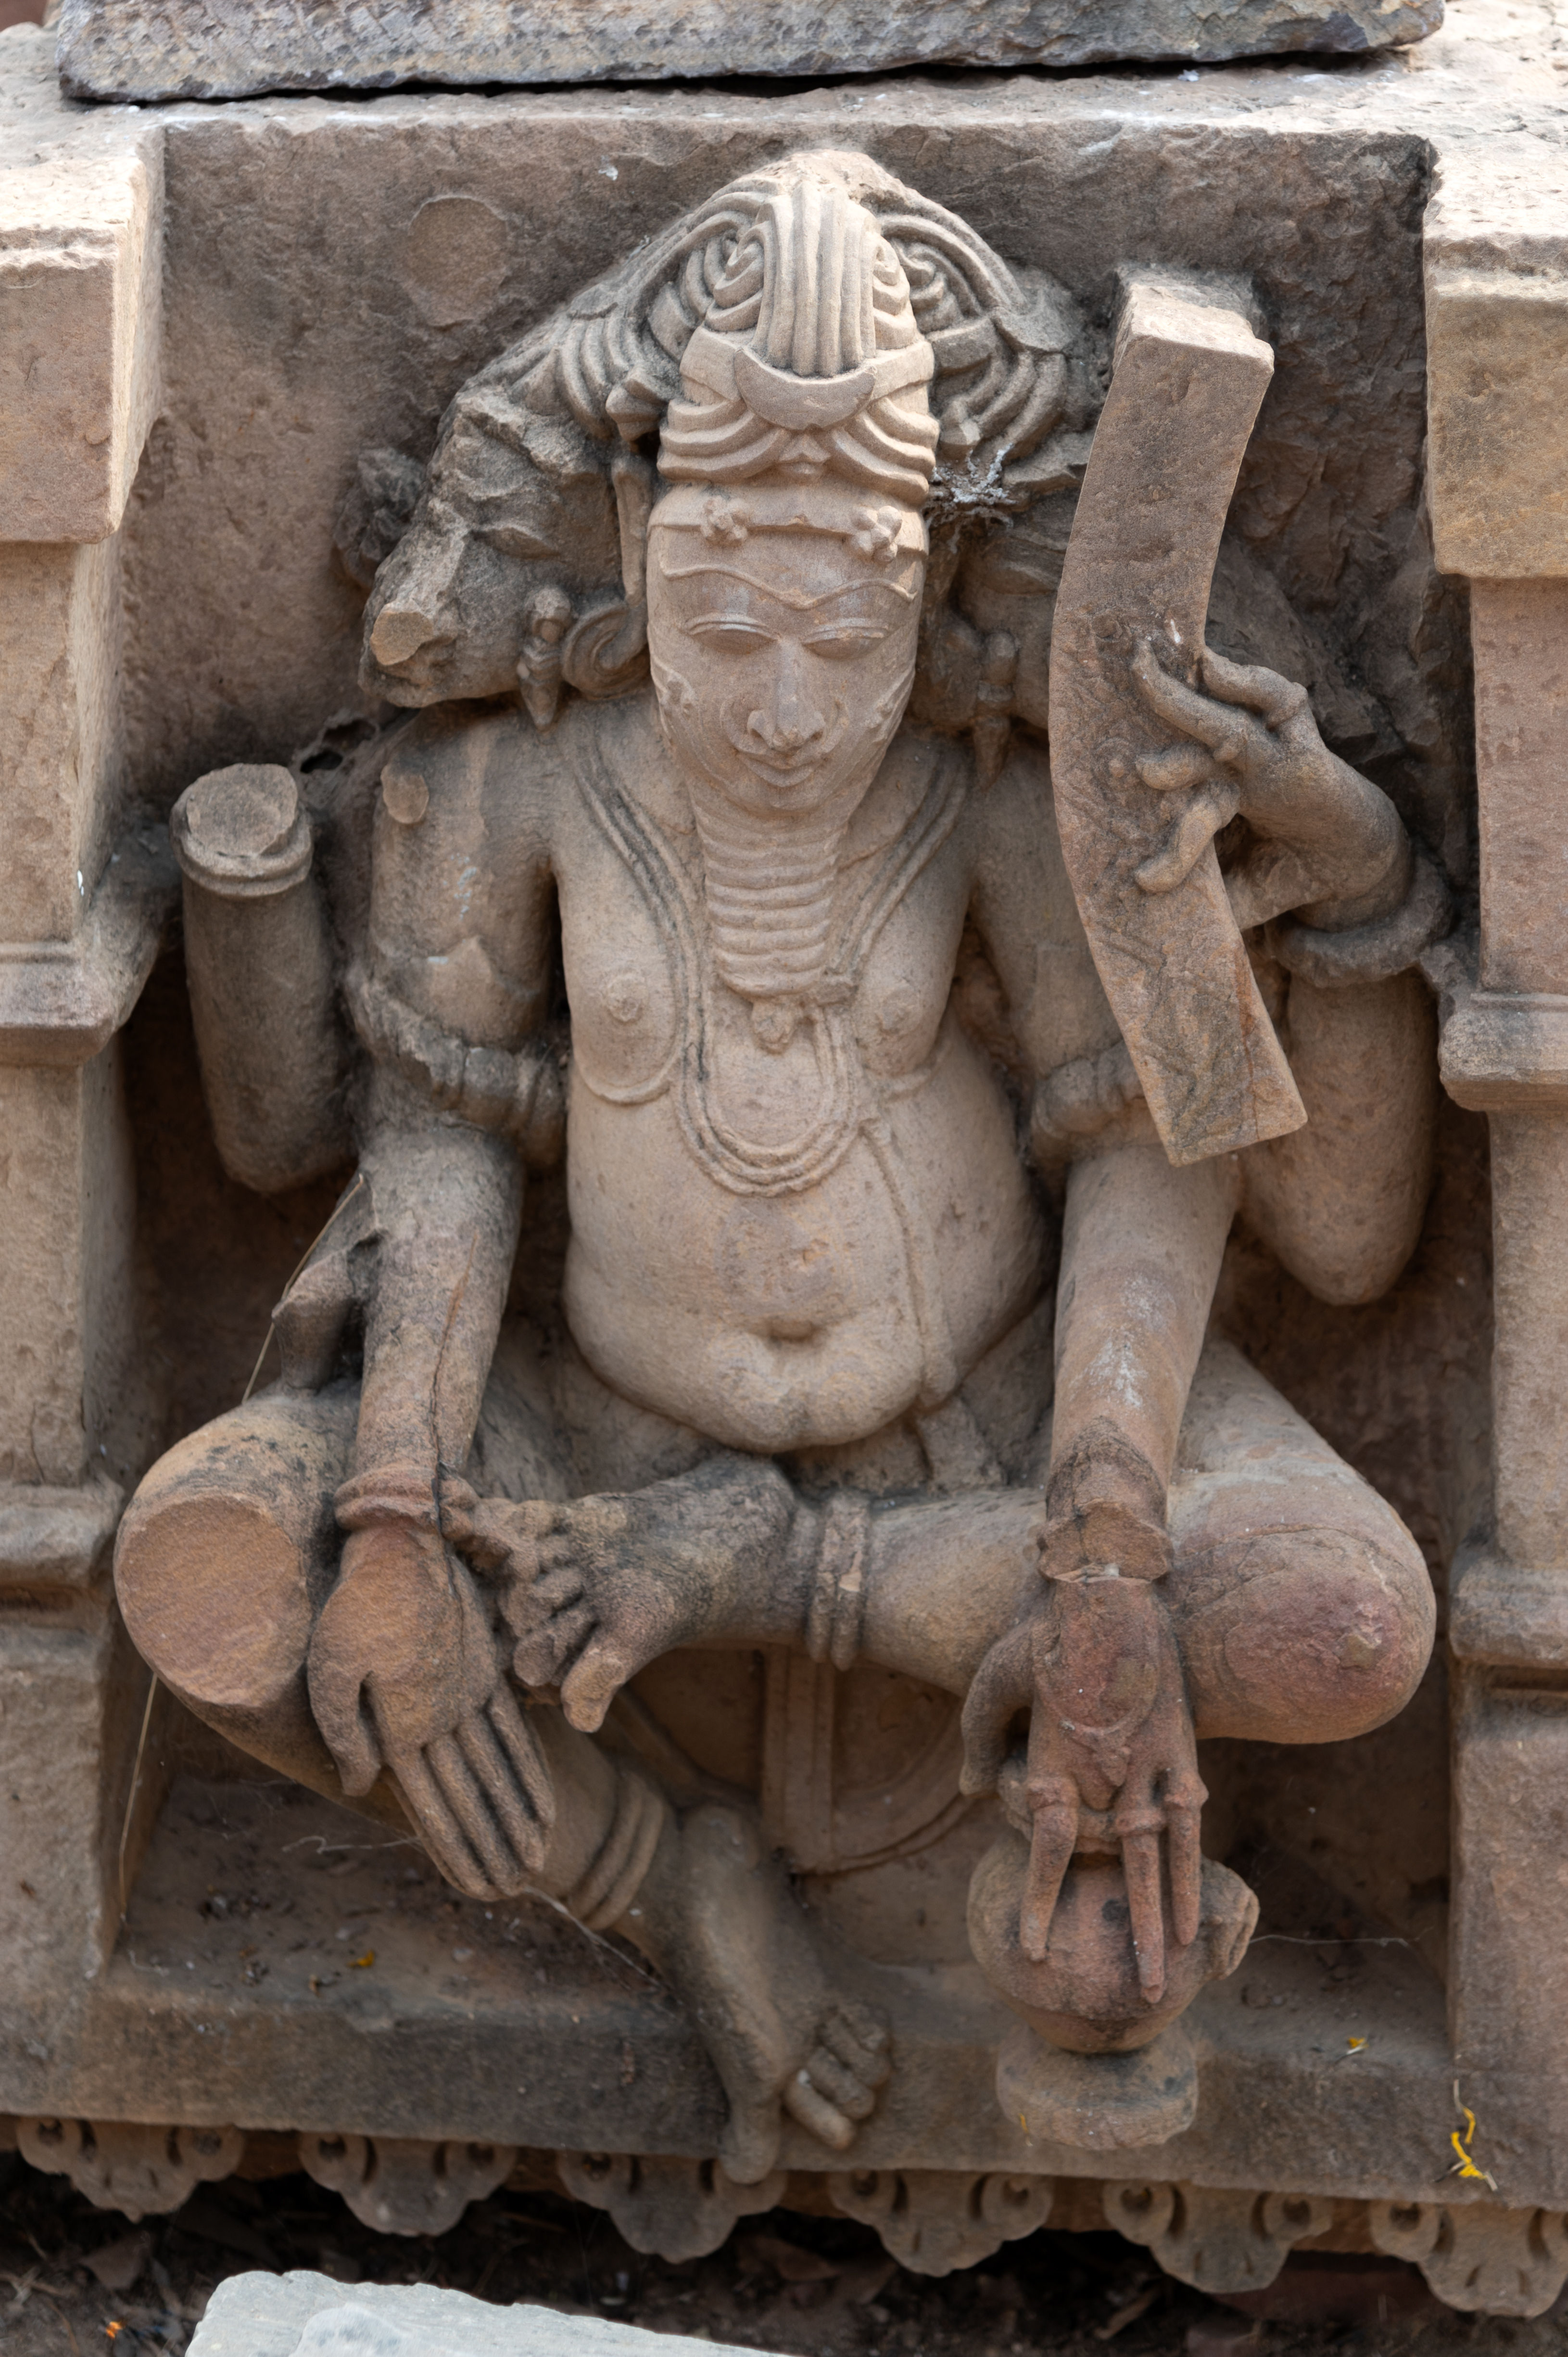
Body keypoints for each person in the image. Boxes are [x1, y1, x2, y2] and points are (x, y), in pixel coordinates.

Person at [118, 153, 1437, 2176]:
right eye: (723, 622)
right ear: (637, 553)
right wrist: (393, 1504)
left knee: (1343, 1618)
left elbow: (1142, 1154)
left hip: (978, 1460)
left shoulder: (1002, 794)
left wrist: (1095, 1530)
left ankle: (799, 1588)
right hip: (579, 1433)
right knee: (210, 1577)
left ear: (926, 583)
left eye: (847, 631)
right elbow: (442, 1142)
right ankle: (665, 1877)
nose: (786, 702)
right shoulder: (513, 783)